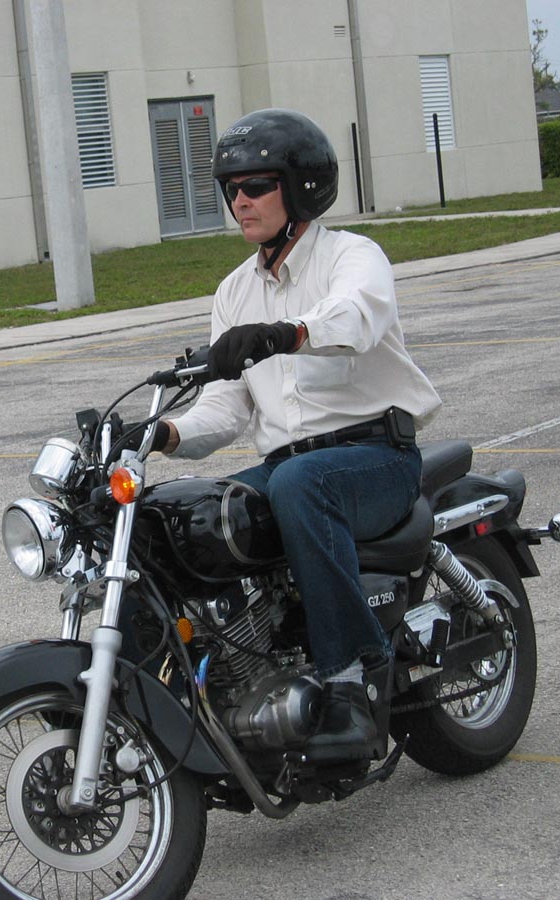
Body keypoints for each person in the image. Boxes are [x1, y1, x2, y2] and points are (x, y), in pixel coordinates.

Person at [150, 108, 442, 763]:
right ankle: (218, 683)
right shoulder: (233, 292)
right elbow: (226, 410)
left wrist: (290, 333)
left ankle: (353, 679)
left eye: (256, 185)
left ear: (302, 186)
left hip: (375, 455)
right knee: (184, 517)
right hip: (287, 465)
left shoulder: (351, 257)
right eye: (231, 189)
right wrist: (160, 432)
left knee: (299, 484)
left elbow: (355, 317)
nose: (240, 200)